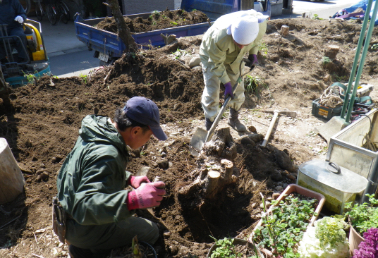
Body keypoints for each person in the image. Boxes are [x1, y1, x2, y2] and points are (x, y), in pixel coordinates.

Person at [56, 96, 167, 258]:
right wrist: (133, 199)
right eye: (149, 135)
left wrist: (129, 179)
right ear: (135, 130)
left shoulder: (99, 132)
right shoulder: (108, 153)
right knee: (151, 231)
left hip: (66, 215)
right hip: (81, 225)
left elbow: (92, 171)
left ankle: (86, 248)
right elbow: (84, 206)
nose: (147, 141)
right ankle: (87, 251)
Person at [200, 10, 269, 132]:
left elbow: (256, 41)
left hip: (235, 56)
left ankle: (233, 118)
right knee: (213, 90)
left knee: (238, 87)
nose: (242, 47)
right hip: (212, 56)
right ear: (232, 33)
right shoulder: (219, 36)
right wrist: (226, 83)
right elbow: (216, 63)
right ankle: (210, 125)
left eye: (245, 44)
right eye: (239, 43)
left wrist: (253, 53)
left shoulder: (260, 25)